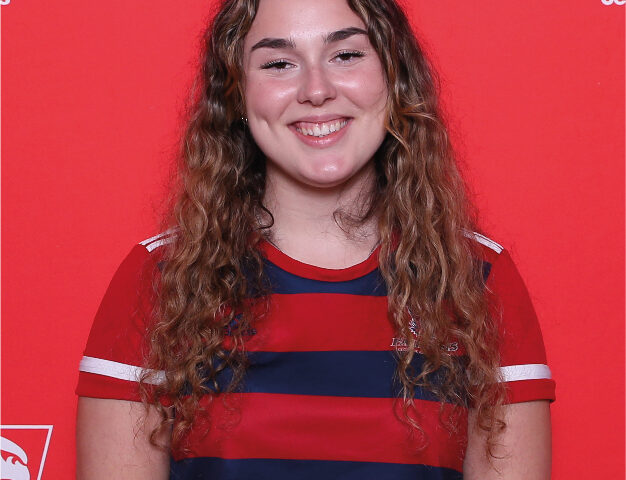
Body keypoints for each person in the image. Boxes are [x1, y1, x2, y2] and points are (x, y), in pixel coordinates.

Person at [75, 0, 555, 478]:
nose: (317, 90)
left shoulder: (477, 278)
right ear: (236, 94)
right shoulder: (162, 279)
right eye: (279, 63)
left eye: (345, 55)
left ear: (395, 77)